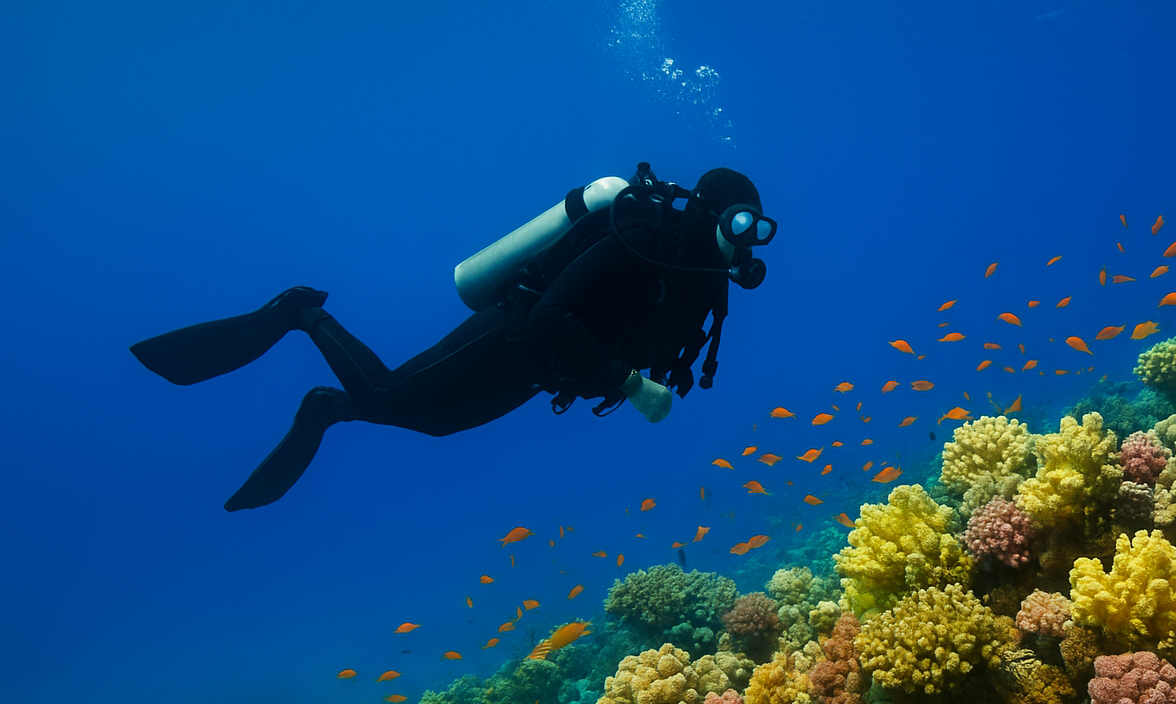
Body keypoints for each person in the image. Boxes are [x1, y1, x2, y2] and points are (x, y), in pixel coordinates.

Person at [130, 165, 775, 510]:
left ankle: (327, 408)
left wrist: (638, 375)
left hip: (537, 374)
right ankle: (302, 313)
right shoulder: (639, 241)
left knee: (431, 424)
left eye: (760, 230)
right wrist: (631, 386)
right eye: (743, 222)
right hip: (509, 336)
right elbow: (553, 314)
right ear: (712, 212)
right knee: (388, 394)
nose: (748, 240)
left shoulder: (701, 282)